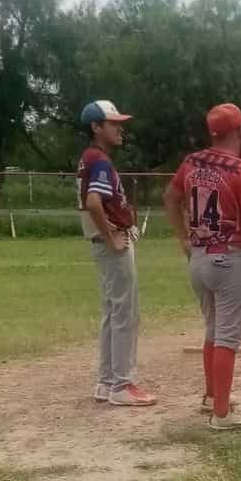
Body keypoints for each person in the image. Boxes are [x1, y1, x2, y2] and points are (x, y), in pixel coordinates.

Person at [163, 103, 241, 434]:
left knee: (213, 331)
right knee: (227, 337)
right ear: (238, 132)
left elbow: (170, 198)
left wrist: (183, 239)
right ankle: (222, 415)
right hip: (229, 258)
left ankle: (213, 398)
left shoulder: (192, 162)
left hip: (199, 257)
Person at [78, 99, 156, 407]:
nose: (119, 128)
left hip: (103, 242)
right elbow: (94, 201)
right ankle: (123, 384)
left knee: (112, 312)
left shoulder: (90, 157)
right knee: (125, 313)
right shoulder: (99, 160)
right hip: (113, 242)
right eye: (112, 123)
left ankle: (107, 381)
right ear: (96, 127)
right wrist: (111, 238)